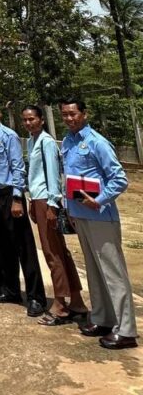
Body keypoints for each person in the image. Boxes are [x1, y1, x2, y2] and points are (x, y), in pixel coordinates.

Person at [61, 99, 137, 350]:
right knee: (94, 271)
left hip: (101, 216)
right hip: (80, 215)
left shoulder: (97, 142)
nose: (69, 118)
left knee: (113, 273)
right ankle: (102, 318)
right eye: (65, 114)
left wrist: (100, 200)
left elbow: (119, 179)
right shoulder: (68, 141)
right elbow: (69, 178)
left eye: (73, 113)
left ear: (84, 114)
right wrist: (70, 209)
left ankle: (125, 330)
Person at [0, 101, 46, 316]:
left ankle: (36, 297)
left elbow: (18, 167)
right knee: (2, 246)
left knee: (23, 247)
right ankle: (11, 290)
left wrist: (17, 198)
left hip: (9, 196)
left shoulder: (9, 136)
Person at [23, 105, 87, 326]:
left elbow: (53, 174)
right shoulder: (31, 141)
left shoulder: (47, 142)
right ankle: (77, 301)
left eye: (32, 118)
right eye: (25, 120)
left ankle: (60, 304)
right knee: (60, 251)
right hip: (37, 198)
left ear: (42, 120)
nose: (29, 123)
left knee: (52, 252)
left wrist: (52, 204)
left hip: (47, 200)